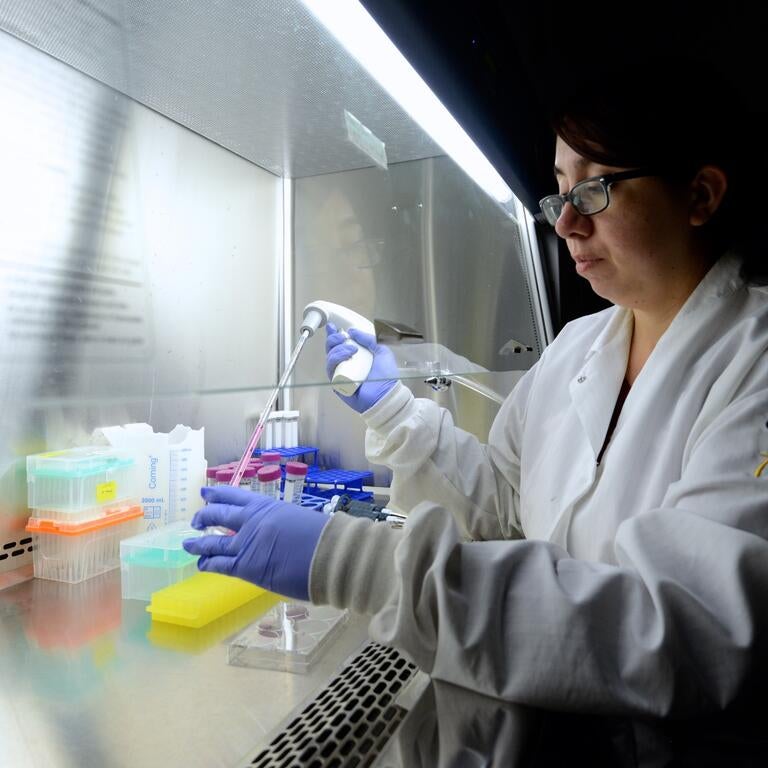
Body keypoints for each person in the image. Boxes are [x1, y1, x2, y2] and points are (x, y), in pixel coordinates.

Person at [184, 79, 768, 717]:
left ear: (699, 195)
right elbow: (502, 505)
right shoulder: (579, 346)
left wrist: (353, 561)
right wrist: (393, 411)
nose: (567, 223)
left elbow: (676, 633)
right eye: (560, 191)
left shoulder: (754, 361)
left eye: (596, 187)